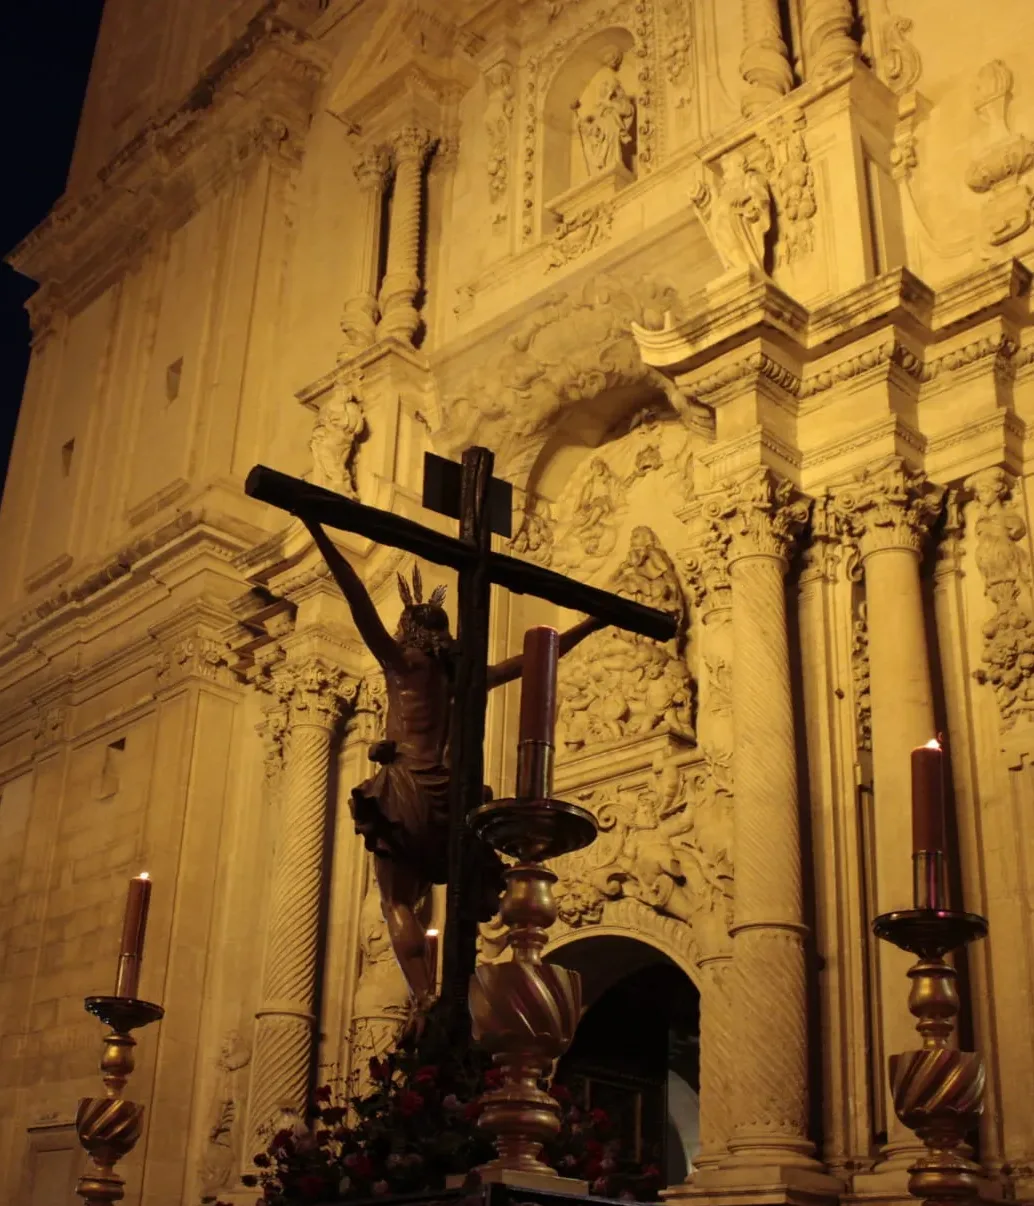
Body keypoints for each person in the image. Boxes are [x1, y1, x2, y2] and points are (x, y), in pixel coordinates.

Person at [304, 518, 603, 1012]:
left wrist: (319, 534)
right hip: (452, 795)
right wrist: (592, 623)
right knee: (451, 895)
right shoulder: (462, 677)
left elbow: (358, 603)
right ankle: (452, 994)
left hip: (406, 789)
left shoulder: (403, 666)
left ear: (408, 630)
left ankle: (425, 996)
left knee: (397, 900)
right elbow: (535, 659)